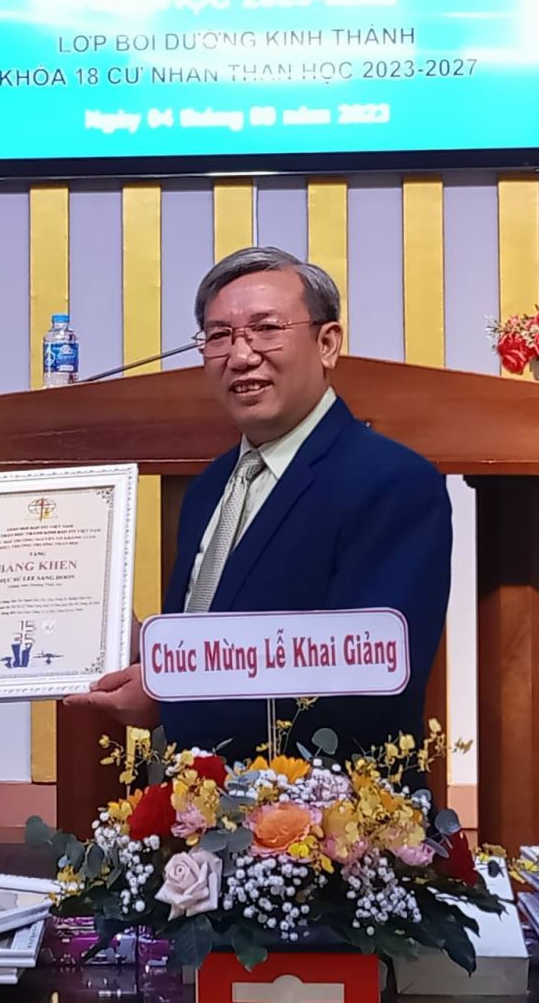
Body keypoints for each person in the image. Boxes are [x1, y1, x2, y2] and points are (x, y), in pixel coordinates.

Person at [67, 246, 451, 760]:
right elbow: (223, 634)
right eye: (219, 336)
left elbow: (370, 675)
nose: (241, 355)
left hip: (325, 801)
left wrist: (171, 698)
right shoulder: (210, 487)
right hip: (198, 795)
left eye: (267, 329)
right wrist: (136, 645)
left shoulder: (393, 482)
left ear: (327, 343)